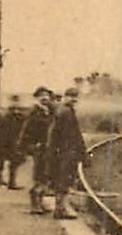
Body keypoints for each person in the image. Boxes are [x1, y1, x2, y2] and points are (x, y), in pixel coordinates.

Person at [47, 88, 85, 219]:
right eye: (71, 97)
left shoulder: (66, 111)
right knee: (63, 180)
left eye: (75, 97)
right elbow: (62, 134)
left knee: (64, 180)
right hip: (64, 151)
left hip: (65, 151)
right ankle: (60, 209)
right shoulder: (65, 112)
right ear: (66, 97)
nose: (74, 99)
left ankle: (61, 208)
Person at [21, 87, 56, 213]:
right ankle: (35, 204)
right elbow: (26, 130)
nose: (45, 98)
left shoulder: (50, 111)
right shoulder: (34, 112)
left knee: (46, 175)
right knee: (39, 174)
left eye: (46, 95)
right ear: (37, 98)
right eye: (42, 96)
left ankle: (40, 202)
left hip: (49, 147)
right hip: (39, 147)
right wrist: (30, 146)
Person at [2, 94, 29, 191]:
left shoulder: (20, 116)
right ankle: (11, 182)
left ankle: (11, 181)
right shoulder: (8, 116)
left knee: (18, 160)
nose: (16, 106)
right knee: (14, 161)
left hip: (17, 140)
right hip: (11, 141)